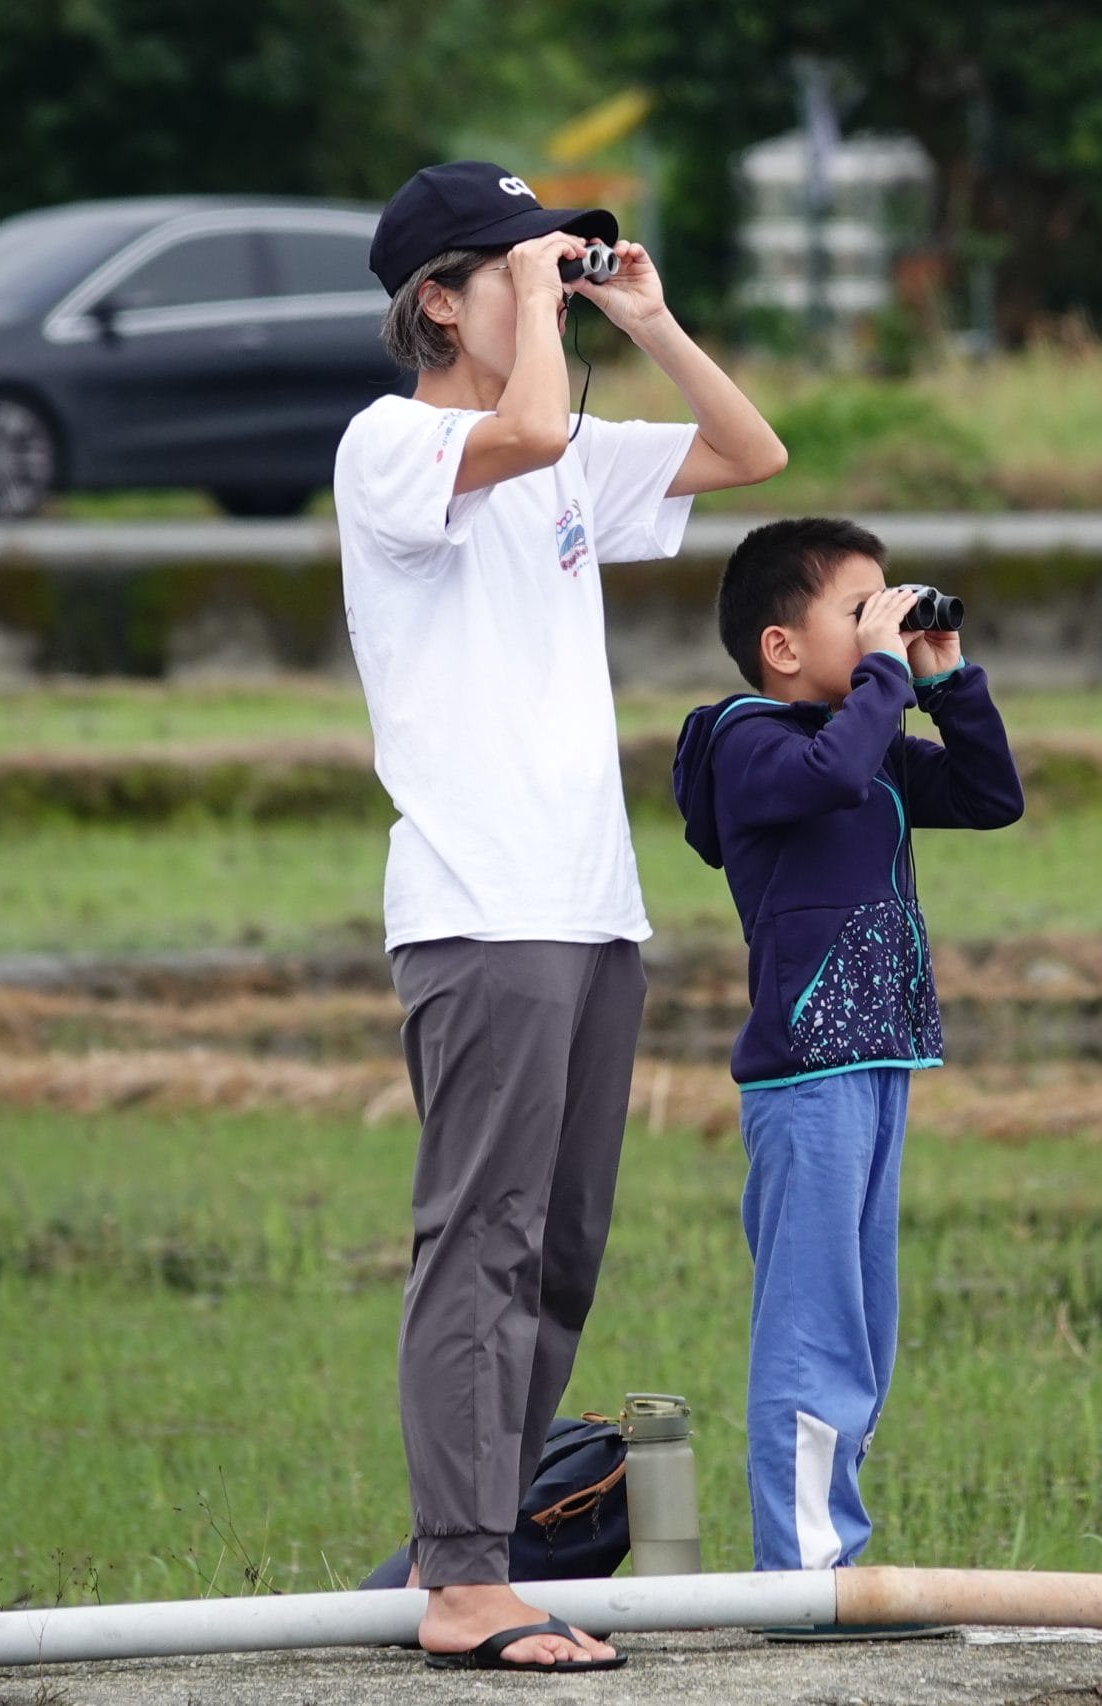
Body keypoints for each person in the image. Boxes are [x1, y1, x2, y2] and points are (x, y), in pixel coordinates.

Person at [336, 161, 787, 1674]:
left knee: (566, 1248)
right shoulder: (393, 444)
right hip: (482, 905)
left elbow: (749, 449)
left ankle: (469, 1551)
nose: (542, 287)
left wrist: (642, 315)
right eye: (505, 269)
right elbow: (520, 426)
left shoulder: (562, 452)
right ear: (436, 300)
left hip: (592, 906)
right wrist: (539, 284)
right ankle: (464, 1576)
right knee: (483, 1237)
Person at [670, 518, 1023, 1586]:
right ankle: (805, 1572)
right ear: (782, 646)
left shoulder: (867, 749)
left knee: (864, 1328)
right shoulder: (745, 740)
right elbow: (826, 774)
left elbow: (991, 794)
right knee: (813, 1328)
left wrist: (943, 674)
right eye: (858, 609)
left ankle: (833, 1555)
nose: (886, 624)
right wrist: (880, 674)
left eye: (890, 605)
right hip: (805, 1073)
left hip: (876, 1064)